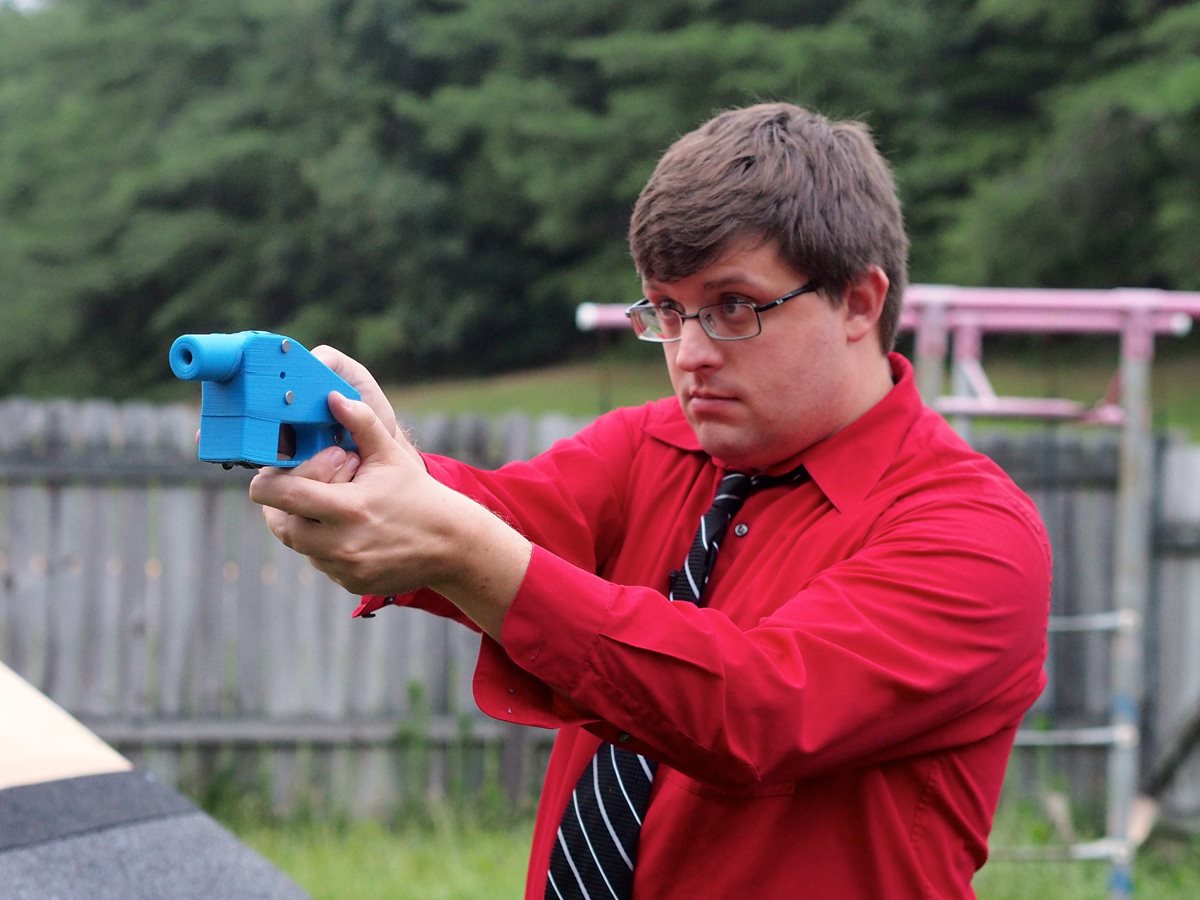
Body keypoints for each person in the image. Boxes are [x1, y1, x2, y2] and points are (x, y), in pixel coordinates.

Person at [248, 102, 1051, 898]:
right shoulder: (652, 446)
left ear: (861, 303)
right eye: (667, 311)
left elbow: (755, 708)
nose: (691, 353)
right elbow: (498, 510)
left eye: (734, 306)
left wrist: (460, 546)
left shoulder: (975, 534)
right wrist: (367, 466)